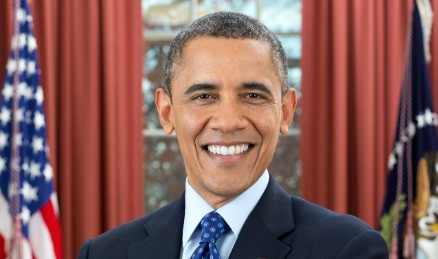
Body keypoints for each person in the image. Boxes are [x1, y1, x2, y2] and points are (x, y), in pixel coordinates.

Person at [78, 12, 388, 259]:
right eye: (204, 96)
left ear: (286, 111)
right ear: (166, 113)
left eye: (253, 95)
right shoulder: (104, 252)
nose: (228, 122)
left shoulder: (347, 249)